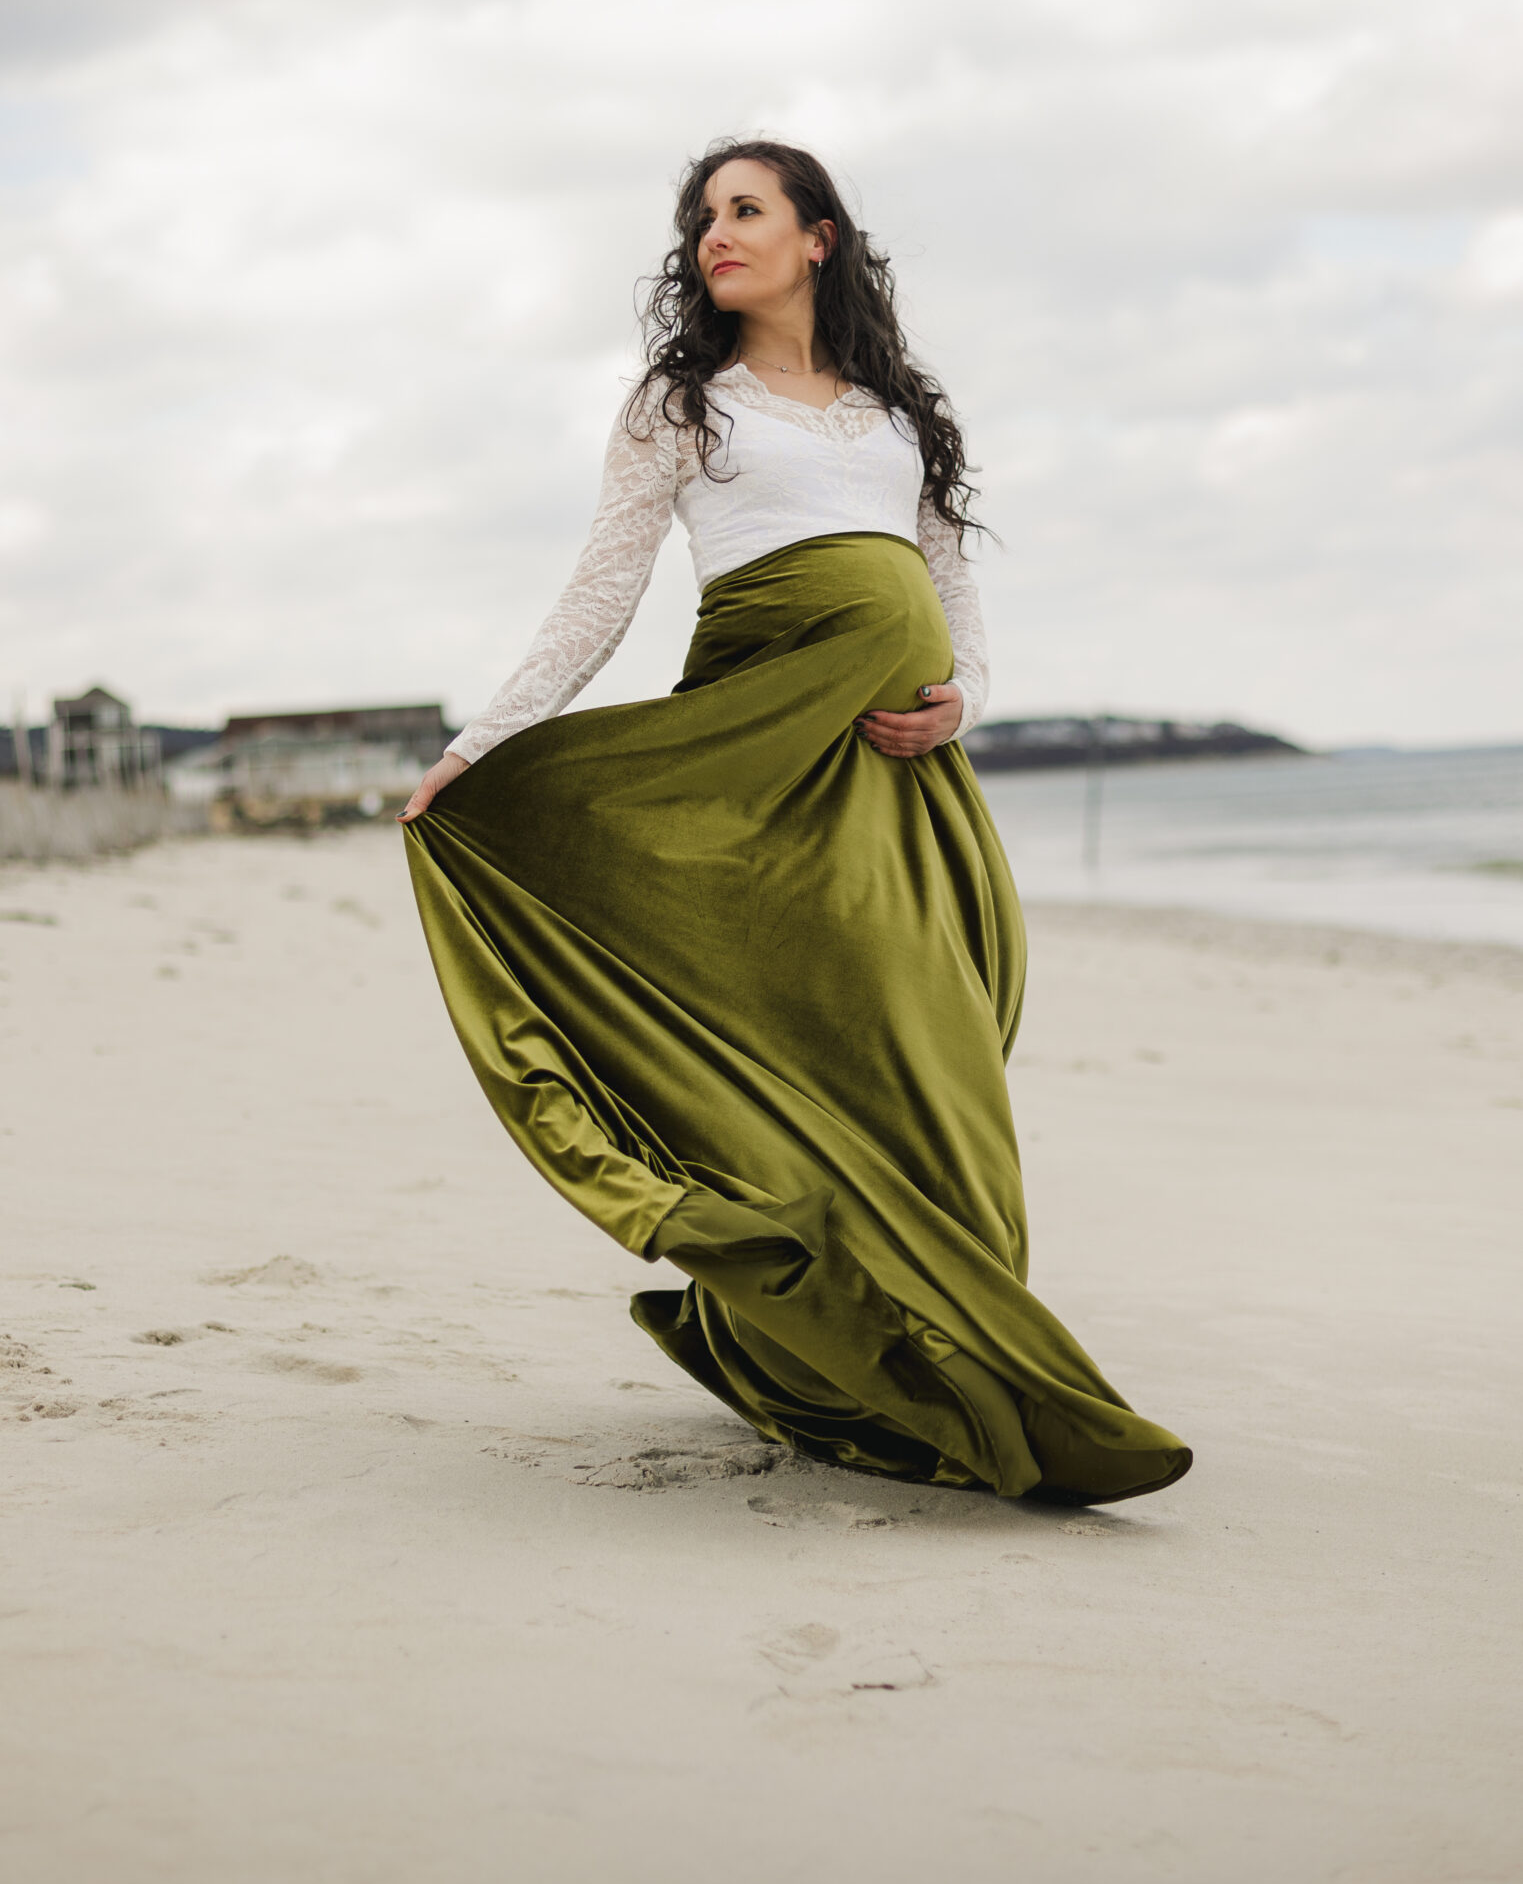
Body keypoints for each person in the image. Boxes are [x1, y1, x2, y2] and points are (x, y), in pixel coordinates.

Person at [400, 139, 1190, 1505]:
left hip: (890, 782)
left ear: (817, 236)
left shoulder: (899, 413)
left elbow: (953, 599)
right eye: (702, 216)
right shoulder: (679, 406)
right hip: (748, 772)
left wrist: (963, 703)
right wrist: (483, 744)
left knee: (938, 1066)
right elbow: (600, 597)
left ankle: (916, 1350)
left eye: (746, 210)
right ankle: (930, 1379)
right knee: (801, 1058)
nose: (717, 232)